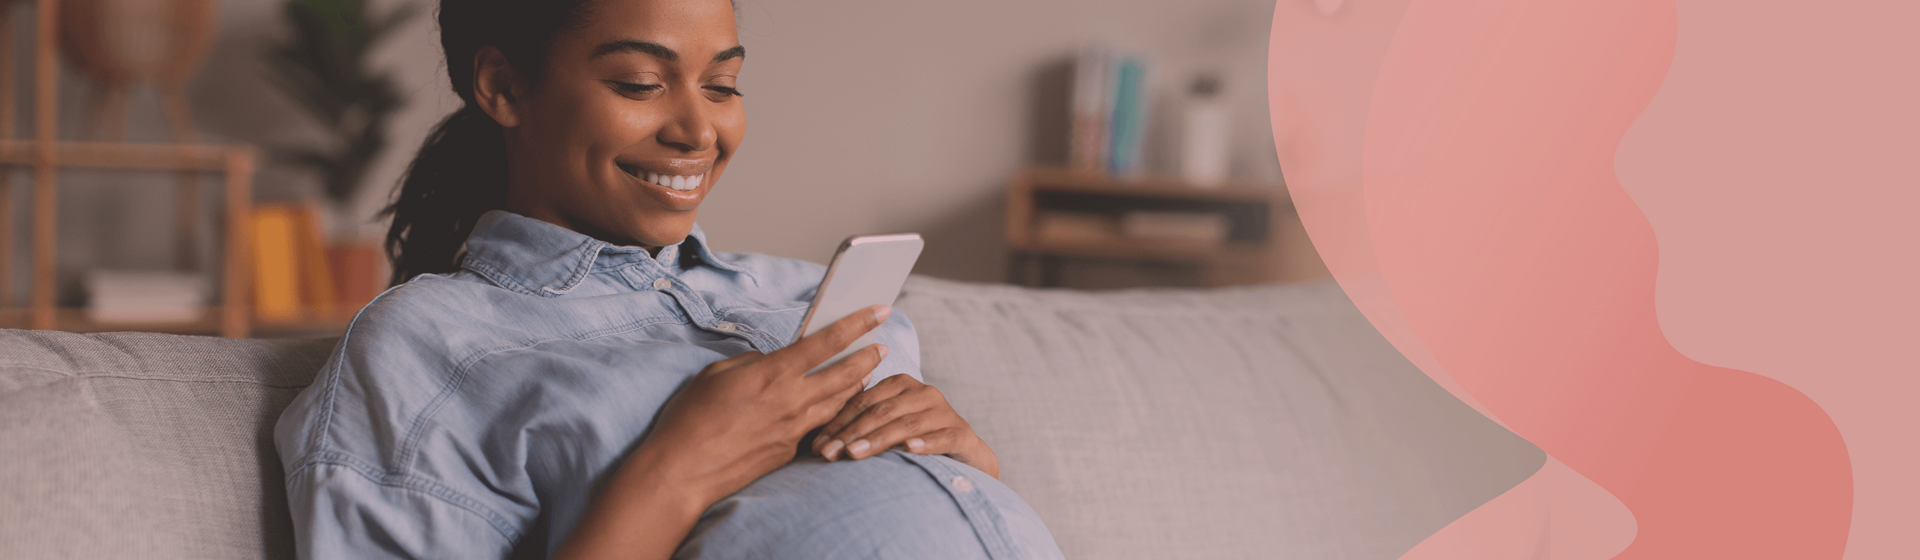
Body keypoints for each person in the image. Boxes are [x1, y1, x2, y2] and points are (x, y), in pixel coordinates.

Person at [272, 0, 1064, 558]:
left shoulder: (802, 296)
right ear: (505, 89)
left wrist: (960, 466)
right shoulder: (426, 350)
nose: (697, 130)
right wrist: (670, 474)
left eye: (722, 85)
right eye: (640, 85)